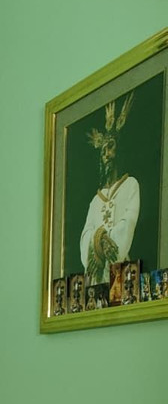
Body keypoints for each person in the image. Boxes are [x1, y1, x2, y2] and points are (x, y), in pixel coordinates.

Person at [80, 94, 140, 286]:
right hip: (96, 275)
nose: (106, 154)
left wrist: (108, 240)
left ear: (119, 149)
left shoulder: (130, 185)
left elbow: (128, 221)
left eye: (111, 147)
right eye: (103, 150)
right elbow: (85, 235)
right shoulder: (96, 200)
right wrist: (100, 239)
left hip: (120, 269)